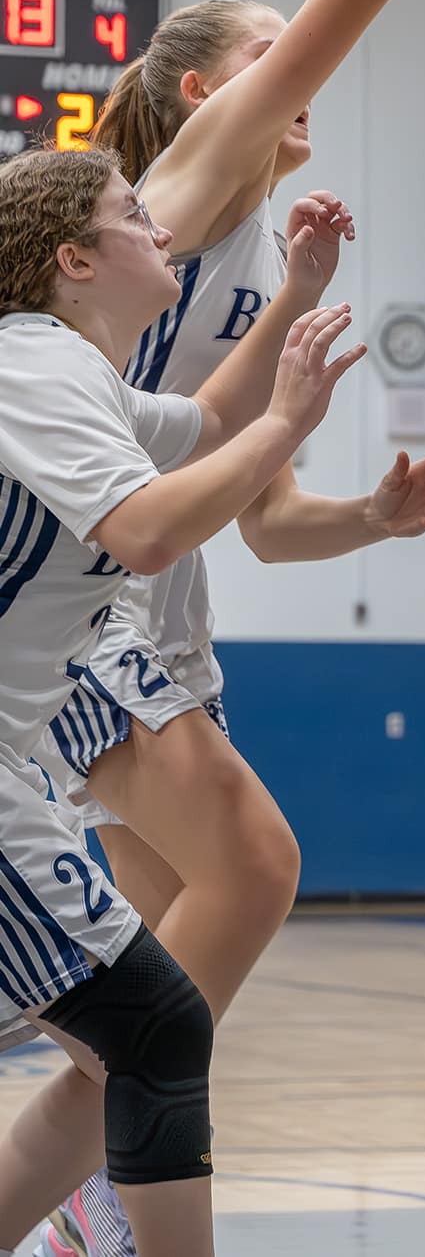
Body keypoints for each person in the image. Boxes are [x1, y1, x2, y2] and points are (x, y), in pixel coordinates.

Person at [29, 0, 425, 1257]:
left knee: (141, 1010)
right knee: (250, 875)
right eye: (262, 60)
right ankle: (114, 1183)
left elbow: (265, 518)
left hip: (159, 628)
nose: (293, 79)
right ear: (192, 90)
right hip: (89, 626)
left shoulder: (238, 261)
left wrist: (371, 516)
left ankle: (86, 1175)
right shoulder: (160, 198)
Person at [0, 146, 362, 1257]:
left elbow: (206, 425)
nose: (160, 230)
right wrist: (288, 426)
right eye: (132, 214)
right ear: (73, 257)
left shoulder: (76, 374)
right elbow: (151, 526)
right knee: (154, 1020)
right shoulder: (30, 363)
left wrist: (295, 292)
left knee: (148, 1026)